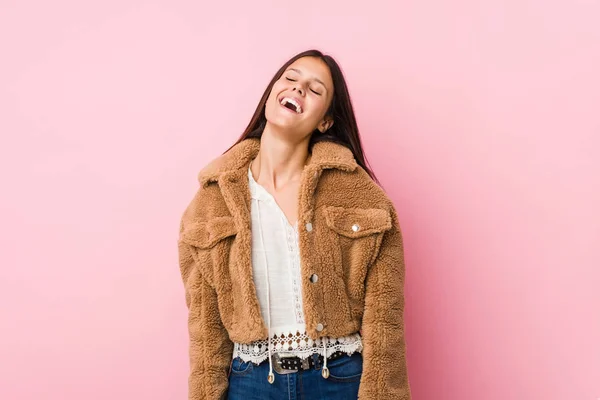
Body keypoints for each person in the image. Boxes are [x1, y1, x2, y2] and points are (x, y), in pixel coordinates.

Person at [177, 49, 411, 399]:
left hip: (340, 380)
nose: (298, 88)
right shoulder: (210, 204)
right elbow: (206, 331)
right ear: (272, 92)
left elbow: (384, 320)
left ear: (325, 122)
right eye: (290, 77)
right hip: (251, 383)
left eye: (315, 89)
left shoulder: (363, 198)